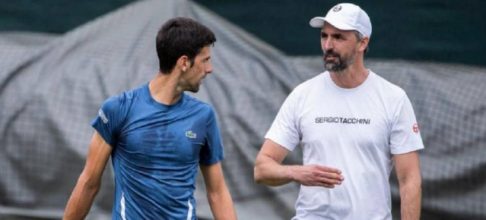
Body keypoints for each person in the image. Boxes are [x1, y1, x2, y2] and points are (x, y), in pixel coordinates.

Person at [254, 3, 424, 220]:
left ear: (363, 42)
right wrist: (296, 173)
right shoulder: (302, 95)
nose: (328, 45)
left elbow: (410, 179)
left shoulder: (393, 98)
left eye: (338, 37)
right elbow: (262, 168)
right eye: (324, 36)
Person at [64, 17, 237, 220]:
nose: (210, 69)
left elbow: (217, 192)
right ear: (184, 62)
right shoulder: (119, 109)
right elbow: (88, 183)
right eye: (205, 60)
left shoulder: (203, 116)